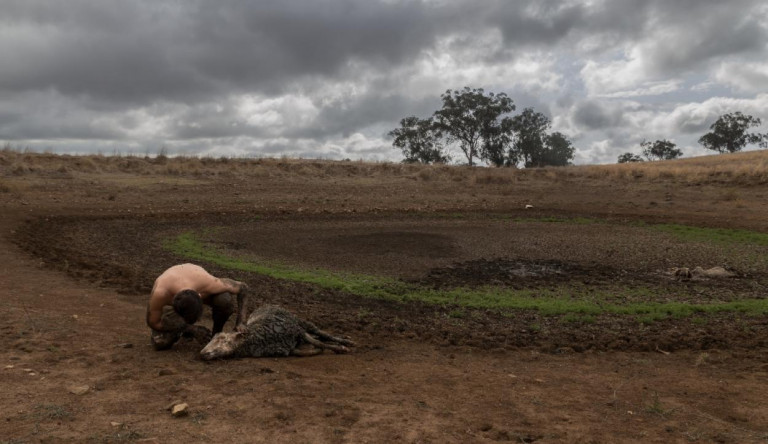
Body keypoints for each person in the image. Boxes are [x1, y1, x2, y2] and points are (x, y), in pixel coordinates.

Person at [146, 263, 249, 351]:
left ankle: (216, 333)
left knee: (224, 300)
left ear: (200, 296)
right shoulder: (161, 293)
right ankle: (182, 332)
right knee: (160, 343)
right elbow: (153, 323)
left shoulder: (209, 283)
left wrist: (241, 322)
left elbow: (243, 287)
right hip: (173, 295)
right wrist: (190, 329)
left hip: (195, 279)